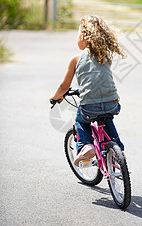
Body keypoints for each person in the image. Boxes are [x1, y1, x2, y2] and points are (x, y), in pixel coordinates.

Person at [50, 15, 125, 166]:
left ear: (83, 36)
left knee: (81, 121)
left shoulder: (76, 59)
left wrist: (55, 97)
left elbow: (64, 86)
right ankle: (119, 152)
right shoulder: (105, 56)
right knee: (106, 118)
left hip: (90, 106)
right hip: (113, 103)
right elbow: (97, 78)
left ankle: (86, 146)